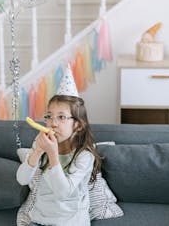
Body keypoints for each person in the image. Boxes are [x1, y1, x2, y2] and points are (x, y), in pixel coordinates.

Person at [16, 64, 101, 226]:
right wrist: (38, 151)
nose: (52, 123)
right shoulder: (40, 144)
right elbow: (22, 179)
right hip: (39, 220)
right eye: (49, 116)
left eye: (61, 117)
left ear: (78, 125)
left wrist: (53, 155)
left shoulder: (84, 155)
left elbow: (63, 192)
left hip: (71, 222)